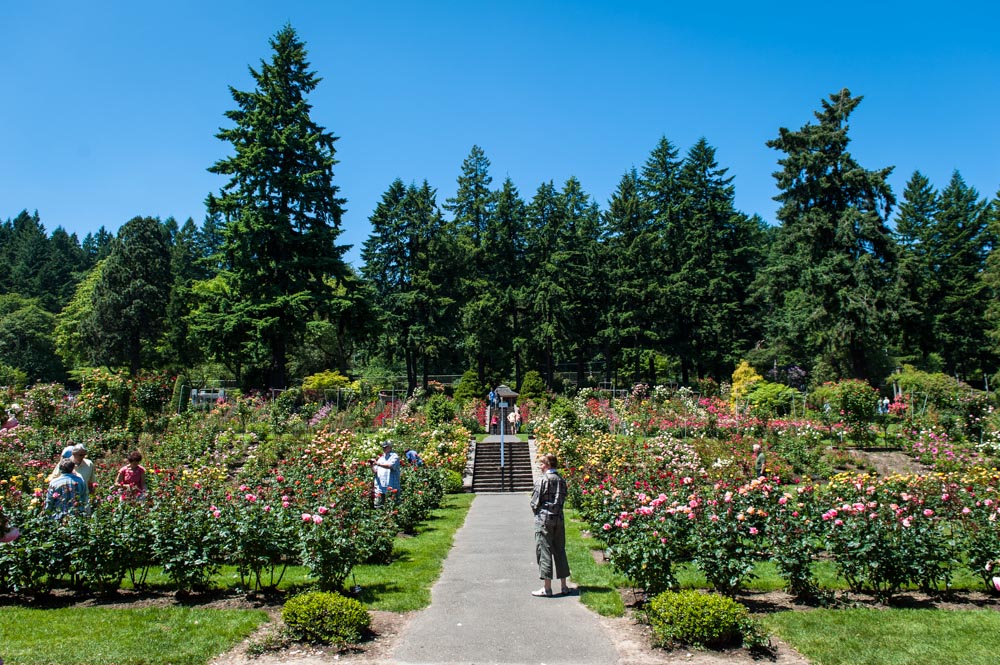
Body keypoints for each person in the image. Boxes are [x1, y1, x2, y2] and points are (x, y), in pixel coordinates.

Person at [530, 453, 571, 597]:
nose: (540, 467)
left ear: (547, 465)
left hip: (544, 519)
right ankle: (564, 585)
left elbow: (534, 502)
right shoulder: (561, 480)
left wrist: (538, 512)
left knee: (544, 550)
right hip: (559, 518)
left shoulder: (542, 480)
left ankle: (547, 588)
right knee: (560, 550)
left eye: (542, 464)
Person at [372, 441, 401, 506]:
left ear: (390, 447)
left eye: (385, 447)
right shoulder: (381, 458)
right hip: (380, 487)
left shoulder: (394, 456)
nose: (384, 449)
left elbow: (390, 466)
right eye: (383, 447)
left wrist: (378, 464)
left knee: (393, 505)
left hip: (392, 486)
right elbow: (375, 471)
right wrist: (371, 465)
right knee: (379, 505)